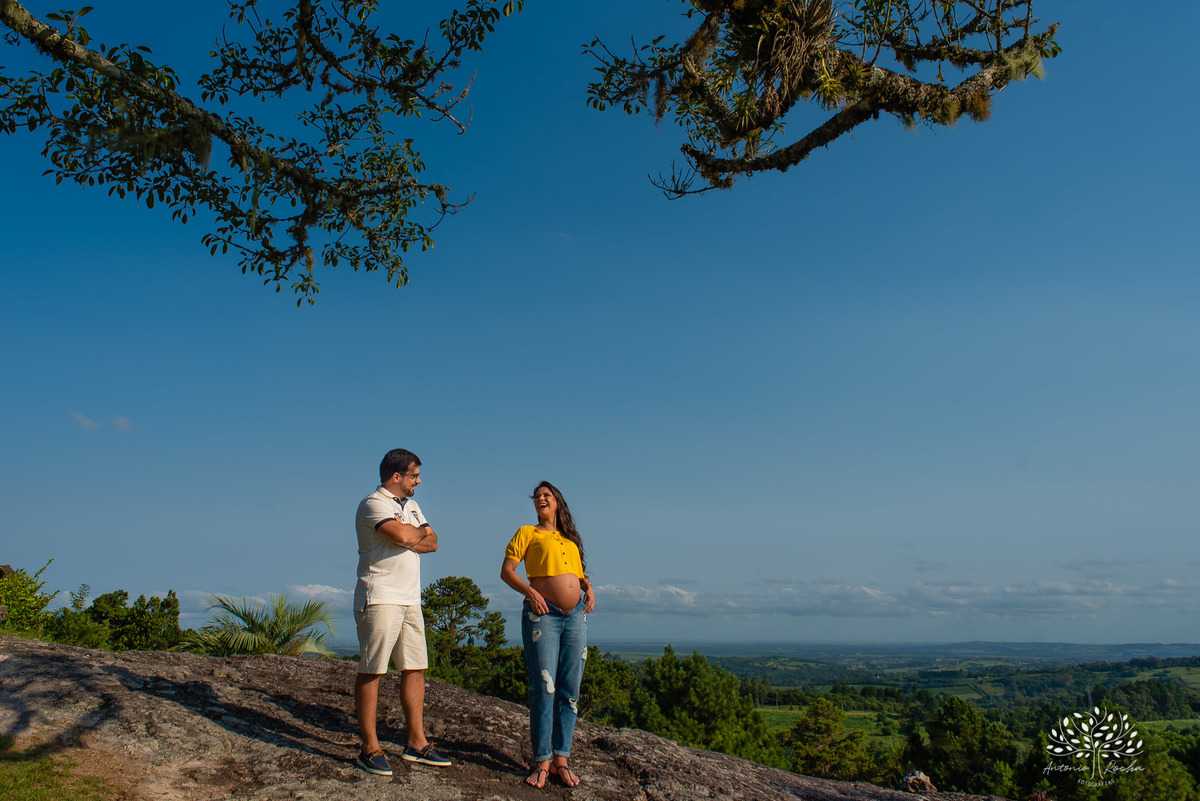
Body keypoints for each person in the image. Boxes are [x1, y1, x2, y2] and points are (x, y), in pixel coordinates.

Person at [352, 448, 451, 775]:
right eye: (414, 475)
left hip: (410, 598)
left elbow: (433, 543)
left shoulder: (410, 506)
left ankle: (416, 743)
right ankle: (369, 747)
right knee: (373, 669)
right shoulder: (374, 504)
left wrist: (412, 533)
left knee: (415, 667)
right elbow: (409, 535)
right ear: (397, 476)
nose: (418, 481)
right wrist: (413, 533)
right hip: (379, 595)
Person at [500, 481, 596, 789]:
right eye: (537, 496)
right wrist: (530, 592)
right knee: (544, 686)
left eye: (547, 495)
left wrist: (588, 587)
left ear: (557, 503)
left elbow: (576, 574)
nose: (541, 499)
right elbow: (507, 571)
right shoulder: (527, 533)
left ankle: (561, 760)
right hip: (544, 615)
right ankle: (541, 761)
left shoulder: (569, 538)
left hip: (576, 615)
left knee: (570, 687)